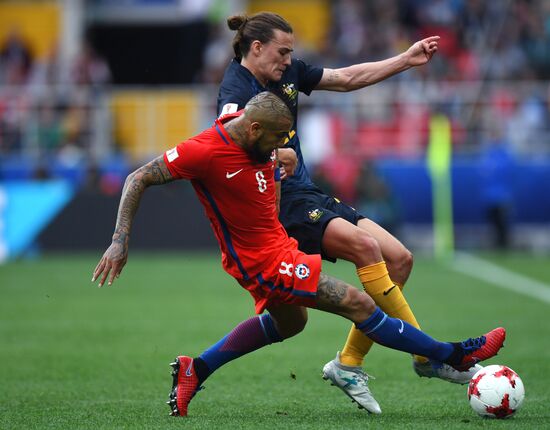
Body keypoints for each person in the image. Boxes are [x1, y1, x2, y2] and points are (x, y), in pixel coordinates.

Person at [91, 91, 505, 418]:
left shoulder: (256, 138)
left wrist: (284, 156)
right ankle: (451, 353)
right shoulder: (205, 151)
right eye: (274, 139)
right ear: (253, 129)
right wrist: (119, 239)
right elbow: (137, 177)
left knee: (291, 323)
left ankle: (195, 370)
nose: (279, 147)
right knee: (359, 303)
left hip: (281, 246)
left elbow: (279, 156)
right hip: (260, 261)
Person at [216, 12, 478, 413]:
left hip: (307, 192)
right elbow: (227, 142)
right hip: (279, 204)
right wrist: (274, 153)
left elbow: (347, 78)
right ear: (256, 48)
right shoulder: (235, 88)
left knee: (399, 259)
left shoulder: (289, 73)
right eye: (282, 52)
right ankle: (430, 356)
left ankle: (348, 363)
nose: (288, 60)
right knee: (365, 249)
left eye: (291, 53)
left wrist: (404, 60)